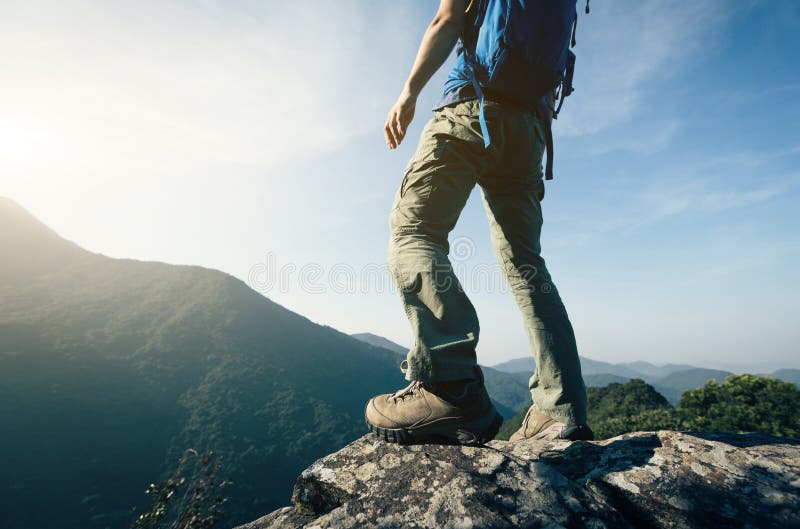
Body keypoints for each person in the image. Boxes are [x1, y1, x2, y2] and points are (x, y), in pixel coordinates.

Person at [365, 0, 594, 444]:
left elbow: (446, 19)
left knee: (416, 232)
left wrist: (408, 92)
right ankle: (561, 408)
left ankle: (451, 387)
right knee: (527, 265)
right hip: (529, 132)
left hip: (470, 109)